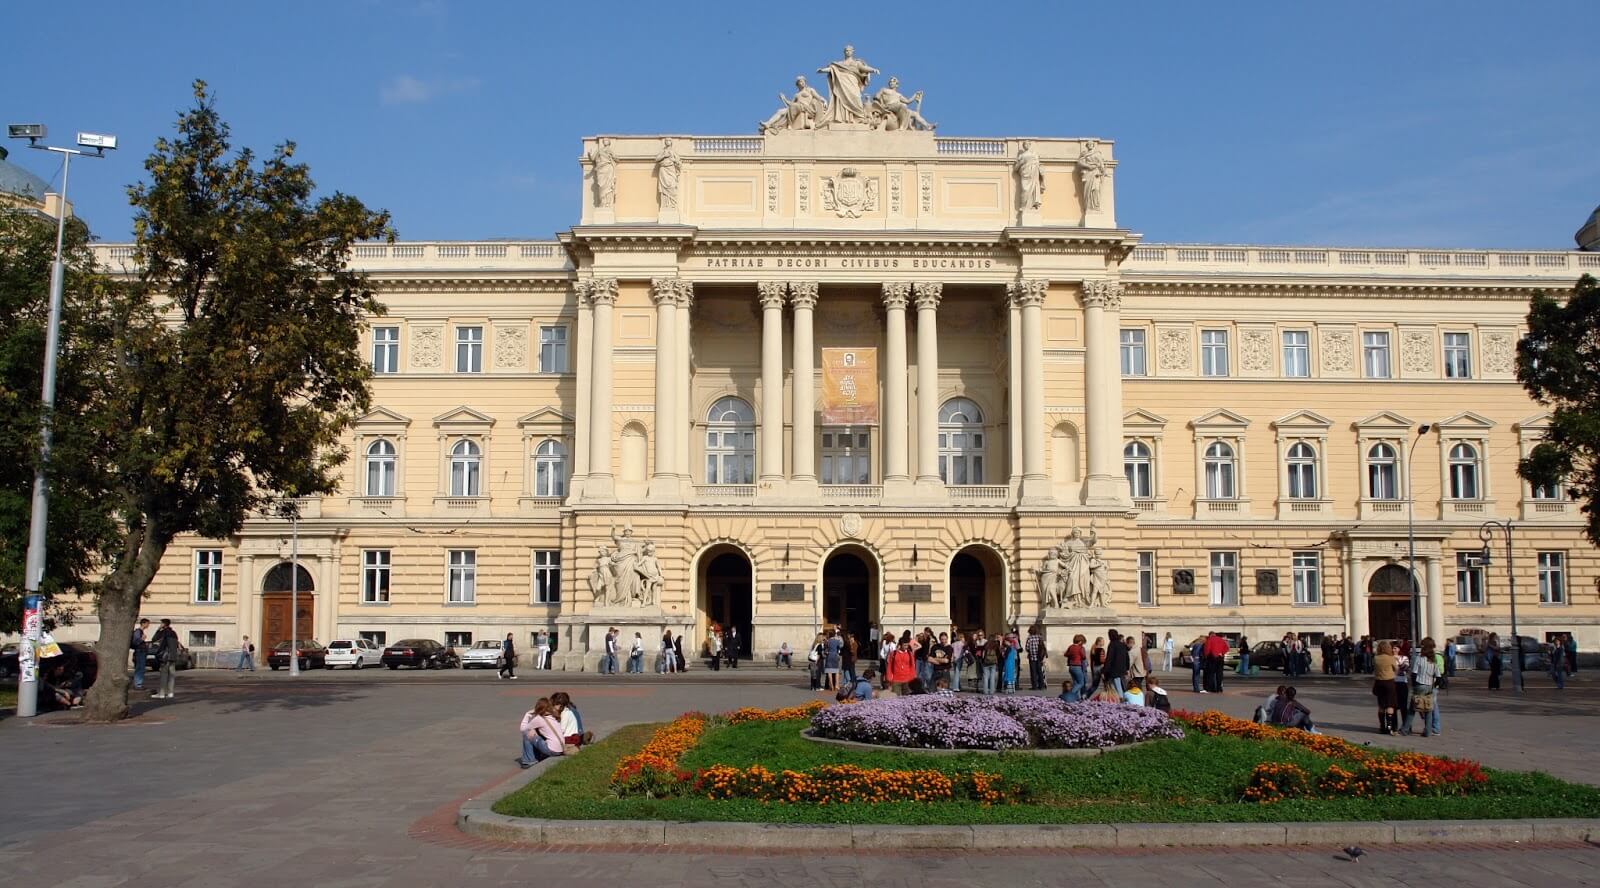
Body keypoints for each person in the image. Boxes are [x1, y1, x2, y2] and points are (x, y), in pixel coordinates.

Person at [1403, 638, 1441, 736]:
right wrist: (1435, 685)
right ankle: (1428, 731)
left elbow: (1414, 673)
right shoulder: (1433, 660)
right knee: (1427, 708)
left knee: (1412, 708)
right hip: (1429, 685)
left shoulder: (1419, 658)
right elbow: (1438, 675)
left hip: (1420, 684)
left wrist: (1414, 685)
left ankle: (1405, 729)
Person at [518, 698, 568, 768]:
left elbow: (523, 729)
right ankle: (537, 757)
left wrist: (527, 715)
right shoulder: (553, 716)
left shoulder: (539, 719)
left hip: (552, 750)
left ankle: (529, 761)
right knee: (534, 733)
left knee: (527, 733)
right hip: (561, 749)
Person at [1372, 640, 1399, 735]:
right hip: (1389, 682)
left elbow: (1374, 669)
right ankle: (1390, 726)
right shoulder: (1390, 658)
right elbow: (1396, 668)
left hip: (1379, 682)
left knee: (1381, 704)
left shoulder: (1376, 658)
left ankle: (1382, 726)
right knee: (1390, 704)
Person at [151, 619, 180, 700]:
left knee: (164, 674)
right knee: (172, 675)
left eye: (161, 623)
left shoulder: (163, 632)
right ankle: (170, 692)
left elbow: (154, 639)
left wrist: (158, 629)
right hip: (173, 656)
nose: (160, 624)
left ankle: (162, 693)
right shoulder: (174, 633)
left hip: (165, 656)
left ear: (164, 624)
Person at [1103, 629, 1130, 695]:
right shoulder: (1122, 645)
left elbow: (1109, 658)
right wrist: (1127, 668)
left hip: (1114, 670)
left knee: (1117, 687)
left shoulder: (1112, 644)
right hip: (1122, 669)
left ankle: (1121, 701)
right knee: (1121, 686)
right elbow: (1127, 658)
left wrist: (1104, 670)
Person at [1066, 634, 1088, 702]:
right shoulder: (1079, 648)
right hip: (1077, 666)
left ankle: (1075, 698)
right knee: (1081, 683)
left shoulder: (1071, 647)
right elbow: (1083, 656)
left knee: (1076, 683)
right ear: (1080, 641)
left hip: (1071, 666)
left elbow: (1066, 654)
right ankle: (1071, 694)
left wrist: (1072, 655)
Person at [130, 618, 150, 690]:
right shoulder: (138, 632)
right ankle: (138, 684)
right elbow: (136, 642)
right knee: (140, 668)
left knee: (141, 668)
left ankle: (138, 684)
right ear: (143, 623)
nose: (148, 625)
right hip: (140, 651)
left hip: (142, 651)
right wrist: (142, 639)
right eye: (147, 623)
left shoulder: (140, 632)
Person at [1025, 625, 1046, 691]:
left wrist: (1030, 651)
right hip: (1039, 656)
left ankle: (1034, 686)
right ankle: (1041, 685)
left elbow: (1027, 648)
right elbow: (1043, 647)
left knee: (1033, 671)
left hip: (1032, 657)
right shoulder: (1040, 637)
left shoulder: (1029, 638)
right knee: (1039, 671)